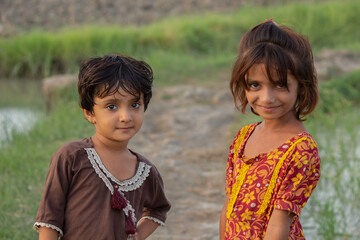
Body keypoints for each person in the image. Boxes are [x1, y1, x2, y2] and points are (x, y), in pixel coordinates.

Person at [34, 54, 171, 240]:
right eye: (112, 106)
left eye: (135, 104)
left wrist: (138, 235)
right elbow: (50, 220)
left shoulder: (146, 171)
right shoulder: (71, 157)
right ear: (90, 113)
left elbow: (159, 209)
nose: (126, 116)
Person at [219, 19, 321, 240]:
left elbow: (279, 224)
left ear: (301, 87)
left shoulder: (300, 149)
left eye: (279, 85)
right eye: (255, 85)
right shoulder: (244, 136)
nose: (266, 98)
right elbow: (229, 206)